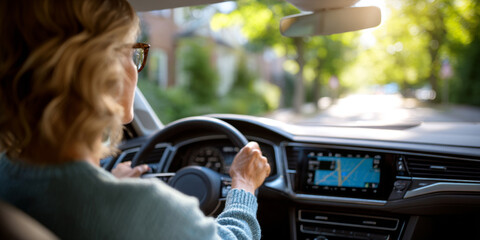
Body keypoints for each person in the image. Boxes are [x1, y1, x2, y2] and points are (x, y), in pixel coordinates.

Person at [0, 0, 271, 239]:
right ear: (105, 71)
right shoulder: (145, 209)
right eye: (132, 52)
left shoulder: (6, 177)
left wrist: (105, 182)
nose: (135, 66)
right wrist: (244, 186)